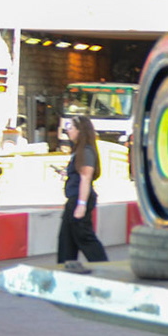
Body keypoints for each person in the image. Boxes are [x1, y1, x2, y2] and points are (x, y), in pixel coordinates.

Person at [57, 116, 109, 272]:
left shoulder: (86, 151)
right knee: (66, 238)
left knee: (84, 236)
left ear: (80, 130)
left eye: (71, 128)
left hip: (79, 199)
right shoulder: (79, 151)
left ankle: (104, 267)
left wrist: (81, 204)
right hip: (74, 198)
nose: (68, 131)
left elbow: (86, 178)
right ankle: (66, 267)